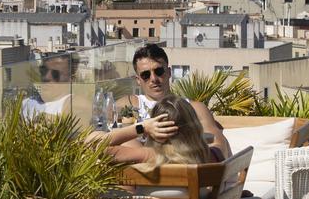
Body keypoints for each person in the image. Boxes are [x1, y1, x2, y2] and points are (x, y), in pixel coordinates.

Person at [99, 44, 231, 161]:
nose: (154, 79)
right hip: (141, 171)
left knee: (129, 144)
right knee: (130, 143)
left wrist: (177, 155)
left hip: (164, 168)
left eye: (159, 71)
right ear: (138, 80)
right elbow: (97, 137)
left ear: (169, 72)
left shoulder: (194, 108)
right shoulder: (126, 105)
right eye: (146, 75)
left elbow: (218, 144)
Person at [105, 95, 213, 168]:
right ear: (194, 126)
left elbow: (95, 147)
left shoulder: (149, 155)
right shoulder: (209, 154)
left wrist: (141, 127)